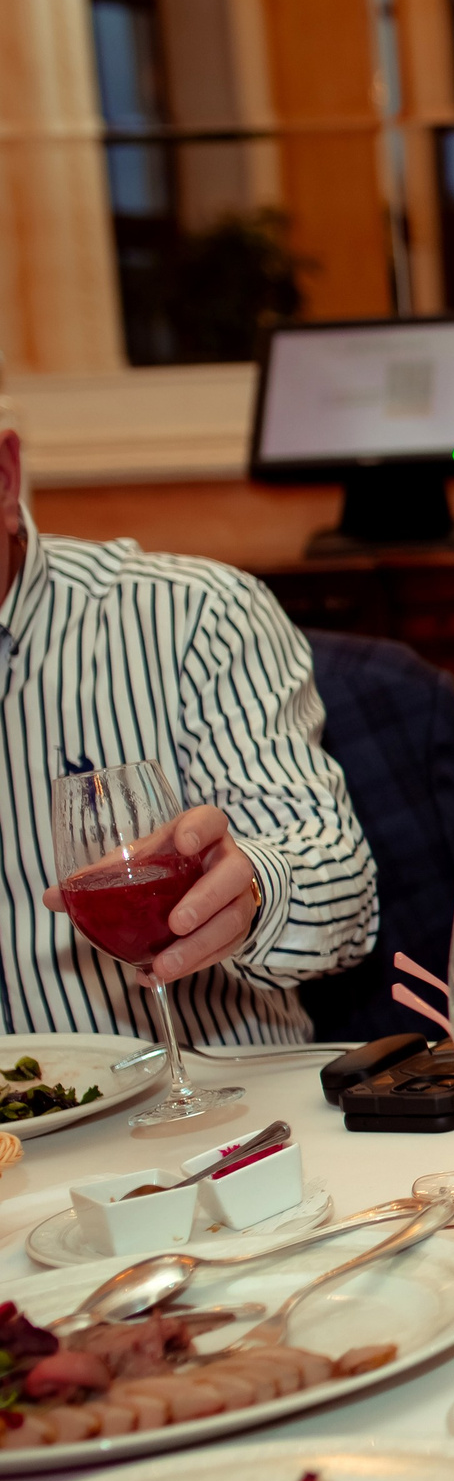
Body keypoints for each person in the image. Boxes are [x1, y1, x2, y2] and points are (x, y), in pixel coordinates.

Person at [0, 377, 380, 1046]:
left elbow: (342, 889)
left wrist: (251, 886)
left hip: (208, 1120)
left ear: (5, 478)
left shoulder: (194, 618)